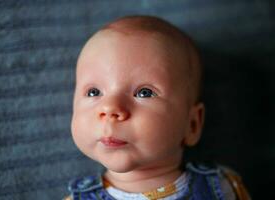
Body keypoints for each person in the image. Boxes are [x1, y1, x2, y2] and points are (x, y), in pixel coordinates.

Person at [64, 15, 250, 200]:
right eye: (93, 92)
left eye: (144, 93)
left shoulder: (222, 188)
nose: (110, 108)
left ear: (192, 124)